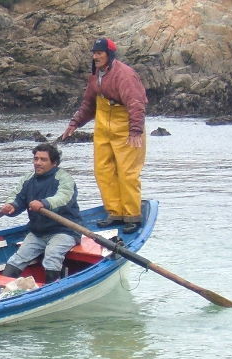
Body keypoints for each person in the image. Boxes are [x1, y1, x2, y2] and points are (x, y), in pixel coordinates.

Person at [61, 37, 148, 234]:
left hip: (126, 128)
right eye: (94, 53)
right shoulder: (95, 75)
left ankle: (132, 215)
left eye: (99, 53)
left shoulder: (125, 75)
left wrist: (136, 131)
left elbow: (136, 103)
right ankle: (115, 212)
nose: (95, 56)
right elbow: (89, 103)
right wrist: (75, 123)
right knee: (103, 171)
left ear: (109, 54)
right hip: (103, 127)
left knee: (127, 174)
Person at [0, 143, 82, 284]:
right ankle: (1, 289)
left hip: (64, 231)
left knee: (51, 256)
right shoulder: (28, 179)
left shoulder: (64, 178)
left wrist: (44, 203)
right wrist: (11, 206)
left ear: (54, 163)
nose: (38, 163)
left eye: (43, 160)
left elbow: (63, 198)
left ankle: (52, 290)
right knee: (16, 259)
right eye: (36, 159)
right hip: (38, 233)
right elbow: (17, 197)